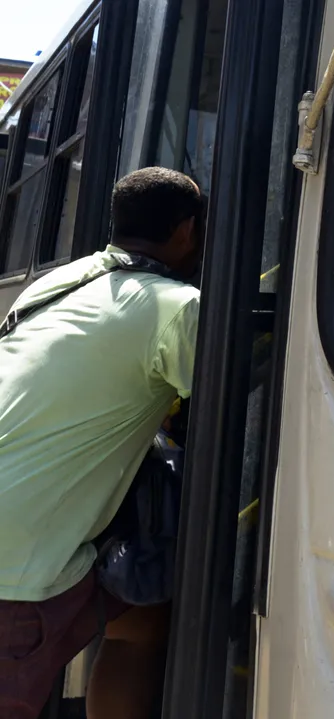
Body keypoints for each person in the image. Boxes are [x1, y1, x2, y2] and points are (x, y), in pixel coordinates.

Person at [0, 167, 204, 719]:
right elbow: (227, 404)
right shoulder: (178, 307)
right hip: (16, 573)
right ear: (186, 231)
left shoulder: (61, 282)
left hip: (18, 534)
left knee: (140, 612)